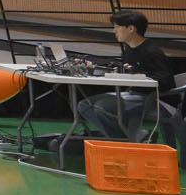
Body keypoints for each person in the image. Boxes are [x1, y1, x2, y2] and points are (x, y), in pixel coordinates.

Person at [76, 11, 178, 141]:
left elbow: (166, 80)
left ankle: (127, 140)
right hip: (135, 94)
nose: (114, 31)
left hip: (156, 99)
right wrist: (96, 67)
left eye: (117, 27)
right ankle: (129, 139)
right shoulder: (129, 48)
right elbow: (126, 69)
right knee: (84, 105)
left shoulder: (151, 51)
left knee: (100, 107)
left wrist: (137, 73)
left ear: (131, 29)